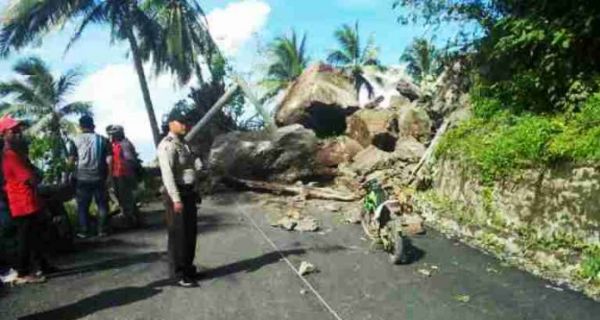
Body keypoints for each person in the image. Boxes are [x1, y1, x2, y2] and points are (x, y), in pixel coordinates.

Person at [0, 115, 54, 284]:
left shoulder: (16, 153)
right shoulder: (10, 155)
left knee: (34, 235)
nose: (18, 134)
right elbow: (30, 177)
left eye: (18, 131)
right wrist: (35, 177)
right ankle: (23, 272)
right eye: (13, 131)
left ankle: (42, 265)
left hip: (27, 200)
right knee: (25, 237)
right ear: (4, 134)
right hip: (22, 203)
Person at [157, 111, 201, 287]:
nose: (185, 125)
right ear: (171, 124)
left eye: (186, 122)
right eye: (181, 122)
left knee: (190, 233)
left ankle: (188, 267)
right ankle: (178, 274)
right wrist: (176, 199)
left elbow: (190, 168)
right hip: (177, 194)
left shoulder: (184, 144)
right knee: (178, 235)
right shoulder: (167, 145)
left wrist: (196, 189)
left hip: (188, 192)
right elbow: (168, 175)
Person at [69, 115, 112, 238]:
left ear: (80, 126)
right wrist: (109, 176)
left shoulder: (75, 140)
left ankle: (84, 231)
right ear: (93, 125)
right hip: (99, 177)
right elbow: (109, 160)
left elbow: (71, 160)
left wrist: (68, 175)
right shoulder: (102, 140)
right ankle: (102, 230)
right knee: (102, 205)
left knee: (82, 207)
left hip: (82, 179)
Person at [106, 125, 141, 228]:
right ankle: (132, 219)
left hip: (124, 175)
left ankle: (131, 221)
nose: (111, 136)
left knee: (126, 199)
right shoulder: (118, 144)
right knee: (125, 199)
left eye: (113, 134)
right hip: (120, 174)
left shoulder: (124, 144)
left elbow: (130, 160)